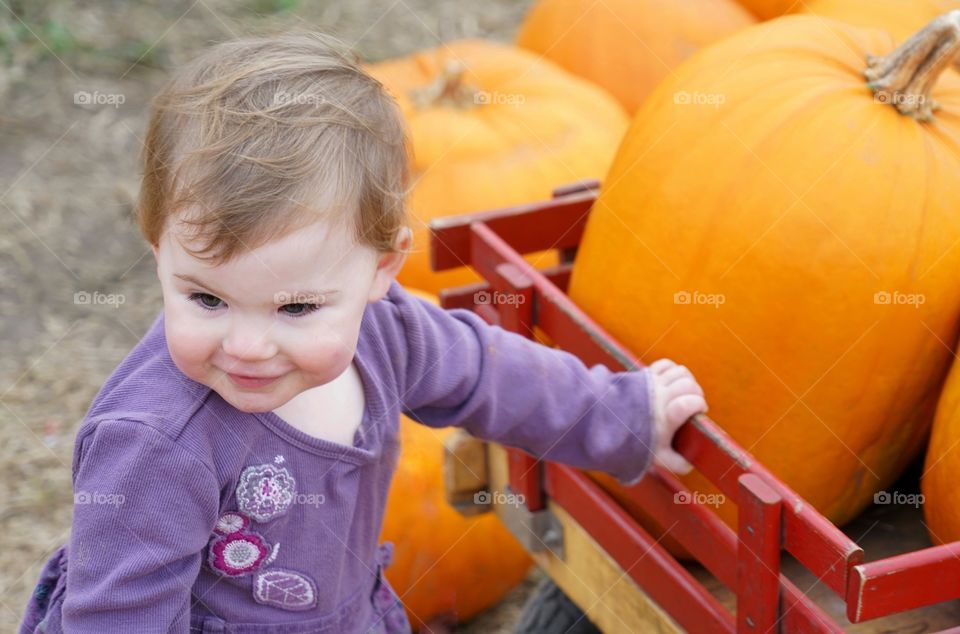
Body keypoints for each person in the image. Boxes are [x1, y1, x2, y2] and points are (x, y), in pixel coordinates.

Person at [18, 31, 707, 634]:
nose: (248, 345)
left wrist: (622, 415)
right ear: (158, 249)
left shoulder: (386, 333)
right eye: (205, 298)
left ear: (380, 269)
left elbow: (488, 372)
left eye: (295, 310)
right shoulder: (158, 447)